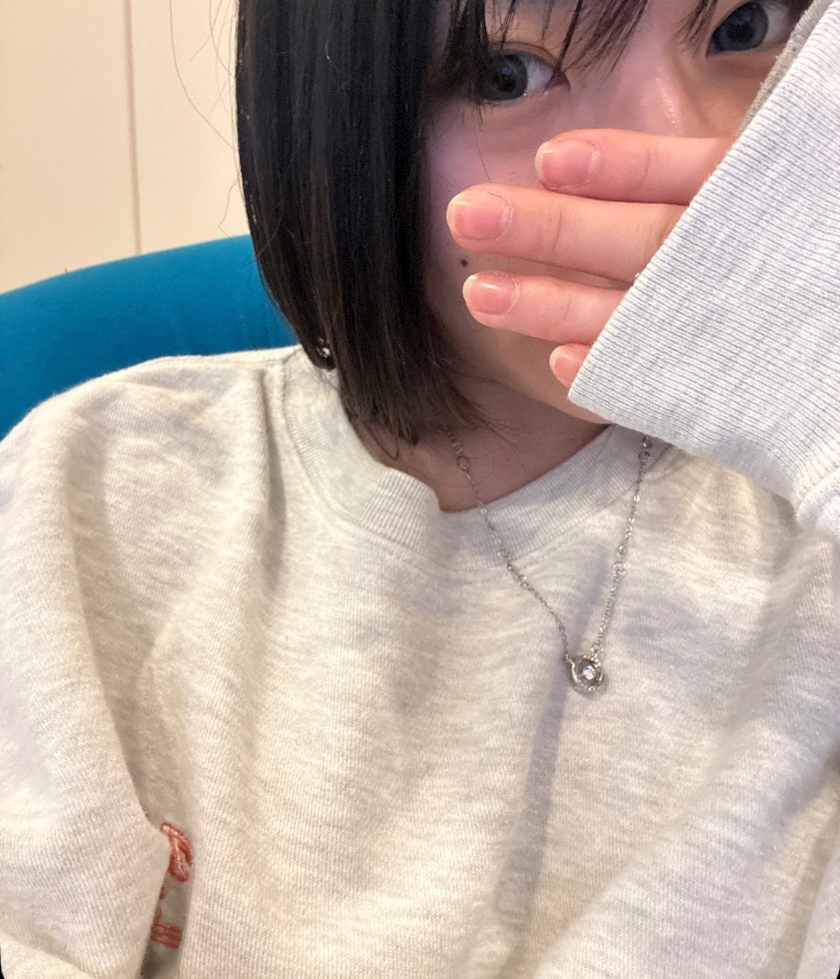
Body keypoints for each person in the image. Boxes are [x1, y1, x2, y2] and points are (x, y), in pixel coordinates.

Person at [1, 0, 838, 975]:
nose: (698, 152)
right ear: (345, 133)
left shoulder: (812, 522)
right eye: (504, 76)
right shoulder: (86, 502)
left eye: (741, 29)